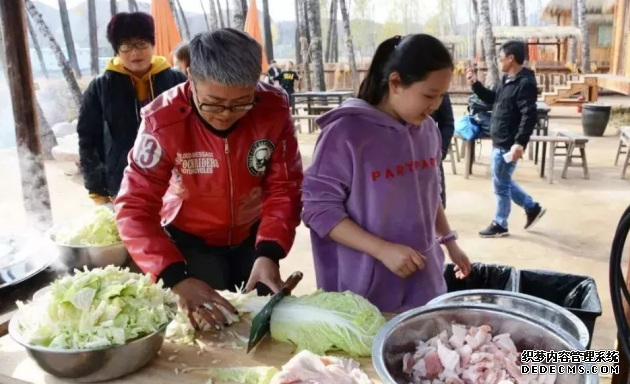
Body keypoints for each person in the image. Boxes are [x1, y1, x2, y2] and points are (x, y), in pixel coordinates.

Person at [115, 29, 303, 329]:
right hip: (190, 242)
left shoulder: (273, 108)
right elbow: (134, 207)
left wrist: (270, 251)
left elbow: (284, 187)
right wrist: (175, 277)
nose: (226, 114)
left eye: (242, 102)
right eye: (213, 103)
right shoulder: (162, 121)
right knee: (210, 327)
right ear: (190, 76)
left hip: (253, 238)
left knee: (261, 323)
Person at [302, 34, 472, 313]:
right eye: (429, 95)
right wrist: (382, 249)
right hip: (364, 292)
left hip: (424, 281)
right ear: (395, 83)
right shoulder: (346, 133)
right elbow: (318, 210)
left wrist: (448, 242)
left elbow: (429, 194)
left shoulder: (427, 129)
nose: (437, 105)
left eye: (442, 95)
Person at [78, 12, 187, 204]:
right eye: (126, 46)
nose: (135, 53)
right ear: (116, 50)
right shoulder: (100, 87)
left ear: (153, 44)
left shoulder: (177, 81)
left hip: (175, 185)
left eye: (141, 43)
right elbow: (88, 139)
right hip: (121, 185)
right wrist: (96, 187)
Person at [466, 40, 546, 238]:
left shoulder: (524, 83)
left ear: (511, 58)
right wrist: (476, 84)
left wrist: (520, 142)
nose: (498, 60)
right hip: (500, 140)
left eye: (500, 57)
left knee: (500, 185)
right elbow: (493, 99)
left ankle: (500, 223)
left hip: (509, 144)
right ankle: (532, 207)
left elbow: (529, 115)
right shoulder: (506, 79)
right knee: (502, 181)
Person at [431, 92, 454, 208]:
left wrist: (440, 151)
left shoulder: (427, 126)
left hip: (431, 158)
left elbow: (447, 124)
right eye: (428, 96)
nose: (434, 105)